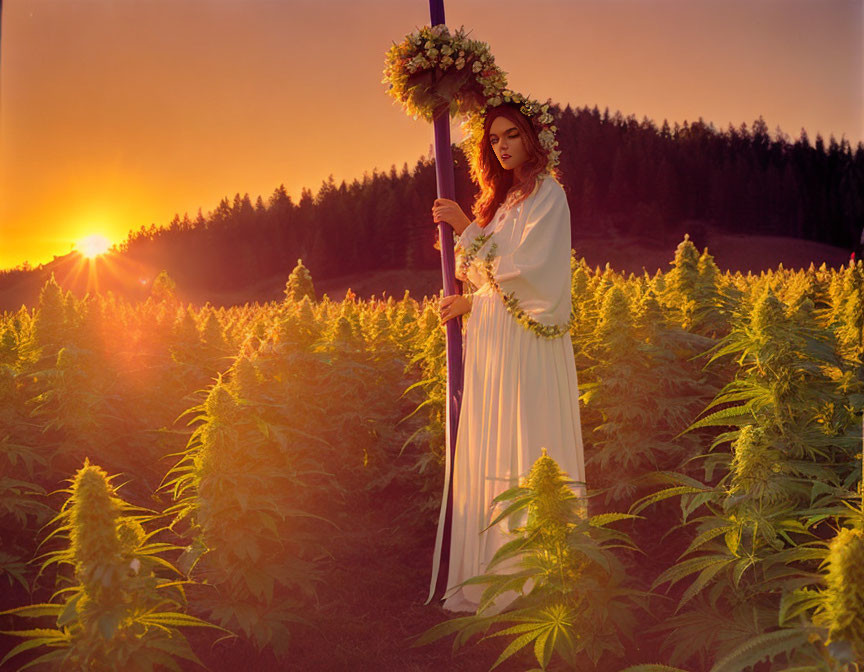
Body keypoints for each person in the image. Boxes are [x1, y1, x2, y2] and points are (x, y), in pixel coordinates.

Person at [425, 99, 587, 615]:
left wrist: (467, 230)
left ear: (532, 138)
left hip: (527, 343)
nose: (502, 146)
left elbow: (531, 273)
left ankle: (536, 577)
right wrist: (469, 297)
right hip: (495, 341)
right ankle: (494, 573)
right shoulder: (502, 202)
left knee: (528, 439)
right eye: (494, 139)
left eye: (511, 135)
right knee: (495, 444)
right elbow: (488, 277)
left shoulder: (548, 196)